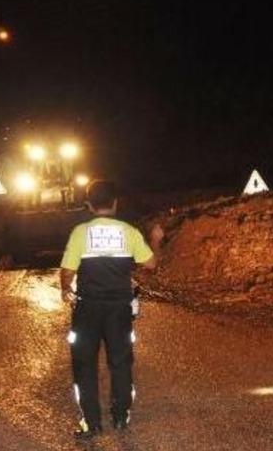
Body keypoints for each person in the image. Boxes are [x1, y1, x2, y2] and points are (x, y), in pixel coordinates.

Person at [59, 180, 163, 441]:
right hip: (119, 308)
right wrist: (155, 240)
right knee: (120, 363)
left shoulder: (80, 232)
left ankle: (91, 423)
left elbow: (67, 271)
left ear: (89, 204)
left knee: (85, 365)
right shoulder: (128, 231)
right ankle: (120, 416)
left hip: (87, 309)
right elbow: (151, 264)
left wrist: (64, 288)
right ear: (115, 203)